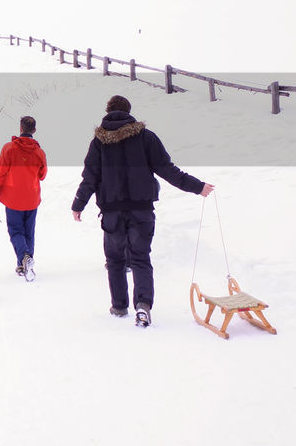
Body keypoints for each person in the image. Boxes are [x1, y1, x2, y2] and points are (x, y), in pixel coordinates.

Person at [70, 95, 213, 327]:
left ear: (107, 111)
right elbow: (167, 170)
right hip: (141, 211)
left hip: (112, 213)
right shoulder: (146, 138)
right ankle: (143, 306)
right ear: (129, 111)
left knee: (115, 260)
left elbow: (90, 178)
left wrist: (78, 204)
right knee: (140, 259)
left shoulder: (98, 143)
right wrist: (198, 187)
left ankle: (119, 306)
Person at [0, 115, 48, 277]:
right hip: (32, 198)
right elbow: (42, 175)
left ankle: (23, 258)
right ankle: (24, 265)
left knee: (16, 231)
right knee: (29, 232)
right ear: (34, 130)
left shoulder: (9, 149)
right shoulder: (39, 152)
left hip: (13, 199)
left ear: (20, 128)